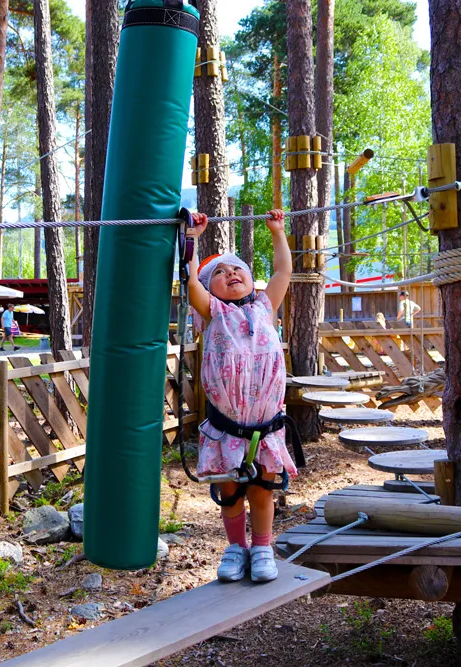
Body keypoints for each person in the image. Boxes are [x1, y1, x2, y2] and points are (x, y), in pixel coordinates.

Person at [186, 208, 294, 584]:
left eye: (237, 270)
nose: (230, 274)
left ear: (252, 281)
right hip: (226, 426)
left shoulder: (265, 307)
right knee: (230, 491)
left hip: (265, 426)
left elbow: (283, 272)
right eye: (219, 272)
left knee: (263, 490)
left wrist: (277, 233)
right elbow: (192, 286)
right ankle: (236, 548)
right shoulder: (212, 313)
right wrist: (194, 241)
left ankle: (262, 547)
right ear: (209, 286)